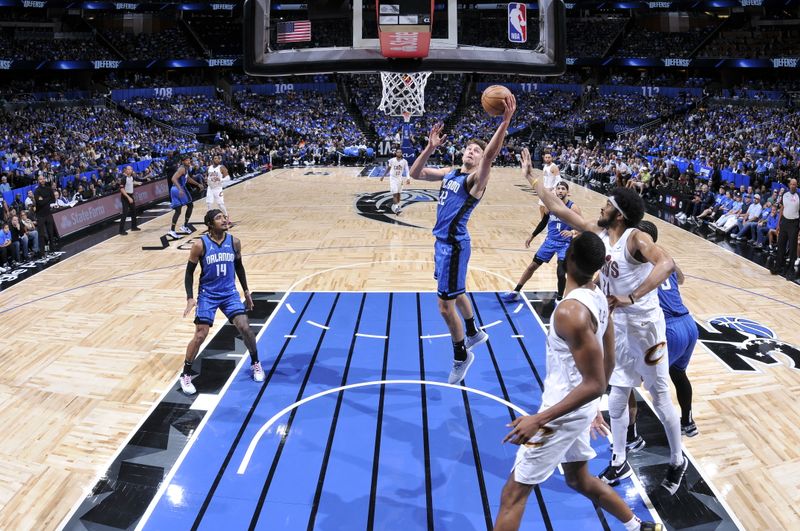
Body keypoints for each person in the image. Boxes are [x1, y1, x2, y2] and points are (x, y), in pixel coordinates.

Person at [527, 148, 687, 495]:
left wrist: (632, 295)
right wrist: (531, 178)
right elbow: (556, 208)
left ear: (619, 213)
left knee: (659, 399)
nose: (601, 205)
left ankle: (677, 460)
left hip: (646, 329)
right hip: (619, 329)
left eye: (607, 203)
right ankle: (618, 459)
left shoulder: (635, 238)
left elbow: (667, 263)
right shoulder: (600, 235)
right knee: (616, 399)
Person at [495, 231, 661, 531]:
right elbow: (607, 360)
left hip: (559, 413)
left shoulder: (570, 311)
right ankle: (638, 526)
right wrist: (592, 407)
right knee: (578, 478)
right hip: (578, 408)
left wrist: (539, 419)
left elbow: (596, 381)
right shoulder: (598, 296)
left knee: (512, 495)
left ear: (568, 258)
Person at [409, 93, 516, 384]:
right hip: (442, 245)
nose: (470, 151)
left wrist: (504, 123)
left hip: (454, 245)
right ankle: (473, 332)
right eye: (468, 148)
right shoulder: (450, 173)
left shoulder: (475, 181)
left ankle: (461, 354)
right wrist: (430, 148)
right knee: (455, 292)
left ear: (481, 160)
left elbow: (491, 156)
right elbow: (415, 173)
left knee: (445, 306)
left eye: (476, 151)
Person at [180, 209, 264, 395]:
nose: (224, 220)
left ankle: (255, 363)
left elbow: (239, 267)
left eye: (224, 217)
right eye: (219, 218)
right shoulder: (200, 245)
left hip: (229, 293)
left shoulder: (234, 242)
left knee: (245, 327)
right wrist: (190, 297)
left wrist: (247, 291)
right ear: (210, 224)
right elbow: (188, 273)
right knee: (201, 335)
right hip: (208, 294)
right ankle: (185, 374)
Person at [636, 220, 699, 436]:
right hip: (689, 325)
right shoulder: (665, 261)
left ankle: (632, 434)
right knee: (678, 373)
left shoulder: (640, 264)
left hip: (671, 329)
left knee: (641, 379)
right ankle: (688, 422)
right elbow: (680, 279)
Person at [503, 181, 580, 302]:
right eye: (558, 188)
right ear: (555, 191)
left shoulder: (573, 207)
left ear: (568, 192)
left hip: (565, 245)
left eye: (563, 189)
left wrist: (572, 233)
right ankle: (516, 291)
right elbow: (543, 223)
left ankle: (559, 299)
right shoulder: (549, 206)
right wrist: (532, 236)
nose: (560, 191)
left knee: (560, 273)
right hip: (550, 241)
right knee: (532, 266)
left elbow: (582, 227)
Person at [169, 154, 205, 239]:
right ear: (183, 161)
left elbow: (188, 179)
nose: (189, 161)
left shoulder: (186, 168)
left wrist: (198, 184)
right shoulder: (182, 169)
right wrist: (180, 189)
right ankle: (184, 226)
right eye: (187, 160)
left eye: (189, 160)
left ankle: (172, 230)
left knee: (178, 211)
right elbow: (173, 179)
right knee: (190, 205)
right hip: (178, 189)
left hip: (174, 189)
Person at [772, 178, 799, 280]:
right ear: (789, 185)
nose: (793, 186)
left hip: (794, 224)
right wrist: (778, 224)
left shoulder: (799, 196)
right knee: (781, 245)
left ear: (796, 186)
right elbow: (781, 210)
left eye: (795, 184)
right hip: (784, 223)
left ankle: (791, 271)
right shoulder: (785, 195)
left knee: (792, 248)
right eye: (792, 184)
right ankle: (778, 267)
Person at [380, 148, 411, 215]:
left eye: (400, 152)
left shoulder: (404, 161)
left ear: (401, 153)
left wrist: (408, 178)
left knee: (399, 194)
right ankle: (396, 208)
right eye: (398, 152)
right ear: (396, 153)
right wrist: (383, 176)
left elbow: (407, 170)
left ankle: (396, 206)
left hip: (400, 179)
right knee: (395, 193)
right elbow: (388, 168)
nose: (399, 153)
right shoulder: (392, 160)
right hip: (393, 178)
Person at [33, 174, 57, 256]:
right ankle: (42, 252)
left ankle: (52, 249)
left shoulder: (49, 188)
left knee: (51, 232)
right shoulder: (37, 191)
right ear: (38, 181)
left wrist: (45, 199)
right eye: (40, 179)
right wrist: (48, 198)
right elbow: (40, 203)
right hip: (40, 215)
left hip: (48, 213)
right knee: (41, 234)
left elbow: (53, 199)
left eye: (43, 179)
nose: (42, 180)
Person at [206, 154, 232, 224]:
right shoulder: (209, 167)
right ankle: (210, 220)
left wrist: (220, 179)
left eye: (218, 158)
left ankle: (226, 217)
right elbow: (207, 176)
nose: (217, 160)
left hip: (218, 188)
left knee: (220, 204)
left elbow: (228, 178)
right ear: (212, 160)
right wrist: (206, 179)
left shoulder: (221, 167)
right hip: (210, 188)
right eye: (215, 158)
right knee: (209, 204)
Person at [119, 165, 142, 235]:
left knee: (134, 211)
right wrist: (128, 197)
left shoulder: (131, 177)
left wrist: (137, 183)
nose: (129, 170)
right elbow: (122, 189)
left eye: (131, 169)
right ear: (125, 170)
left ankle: (134, 227)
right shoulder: (123, 178)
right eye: (128, 169)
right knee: (125, 213)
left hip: (131, 195)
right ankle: (121, 230)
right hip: (125, 197)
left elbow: (131, 182)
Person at [538, 151, 561, 218]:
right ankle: (543, 222)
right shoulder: (545, 166)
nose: (547, 159)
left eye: (549, 157)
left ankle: (550, 222)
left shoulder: (554, 167)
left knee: (548, 209)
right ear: (544, 158)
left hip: (551, 191)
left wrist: (552, 188)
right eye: (546, 157)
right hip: (545, 190)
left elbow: (559, 179)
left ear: (552, 158)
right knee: (541, 207)